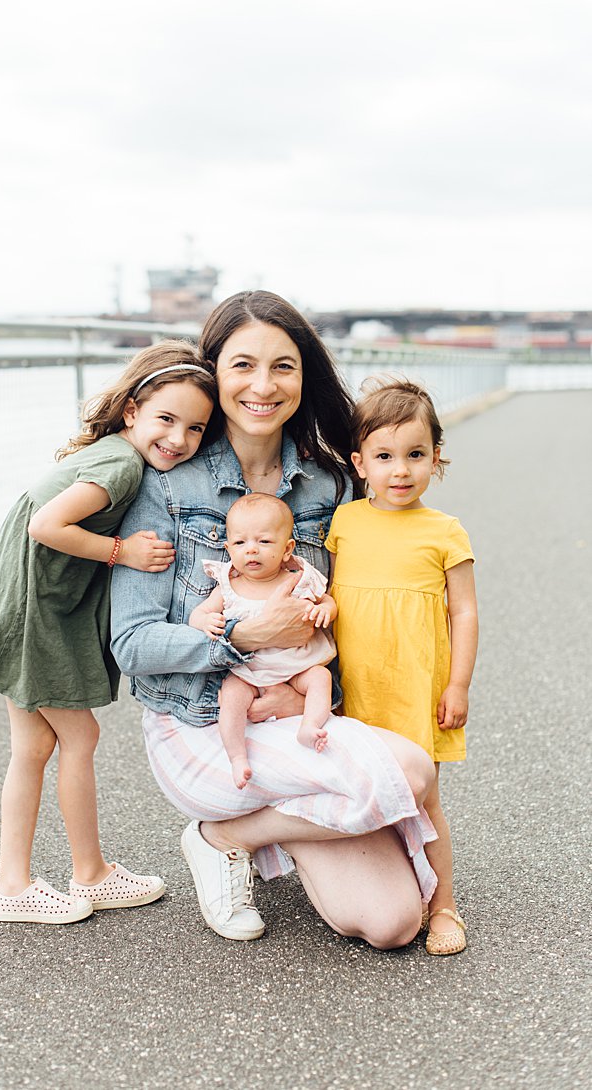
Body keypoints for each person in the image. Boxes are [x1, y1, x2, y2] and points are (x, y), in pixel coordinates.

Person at [110, 290, 441, 949]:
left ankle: (230, 837)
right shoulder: (167, 483)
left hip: (303, 720)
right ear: (213, 374)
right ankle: (224, 825)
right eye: (242, 366)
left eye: (283, 367)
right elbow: (133, 645)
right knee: (408, 773)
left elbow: (376, 589)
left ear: (304, 375)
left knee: (393, 924)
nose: (263, 386)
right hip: (205, 727)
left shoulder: (330, 484)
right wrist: (238, 638)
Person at [0, 342, 214, 924]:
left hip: (23, 606)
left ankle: (13, 883)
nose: (179, 439)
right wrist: (120, 551)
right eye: (165, 419)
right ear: (132, 413)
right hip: (36, 616)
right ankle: (87, 874)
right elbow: (48, 525)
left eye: (195, 429)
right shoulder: (121, 465)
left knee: (33, 747)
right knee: (79, 738)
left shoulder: (115, 453)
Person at [326, 377, 477, 956]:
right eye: (385, 457)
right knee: (369, 790)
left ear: (436, 458)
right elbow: (333, 597)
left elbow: (463, 611)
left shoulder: (444, 531)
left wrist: (457, 684)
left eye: (415, 455)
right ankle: (394, 883)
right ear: (360, 462)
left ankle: (444, 906)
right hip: (358, 688)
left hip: (416, 687)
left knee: (424, 799)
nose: (401, 470)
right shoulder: (345, 523)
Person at [187, 492, 338, 788]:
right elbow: (199, 613)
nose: (251, 550)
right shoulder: (229, 585)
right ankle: (236, 756)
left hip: (297, 666)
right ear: (229, 548)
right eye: (241, 543)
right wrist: (205, 620)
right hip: (250, 671)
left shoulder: (297, 579)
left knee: (320, 678)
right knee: (231, 695)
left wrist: (324, 610)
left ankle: (310, 725)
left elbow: (328, 600)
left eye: (264, 542)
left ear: (287, 549)